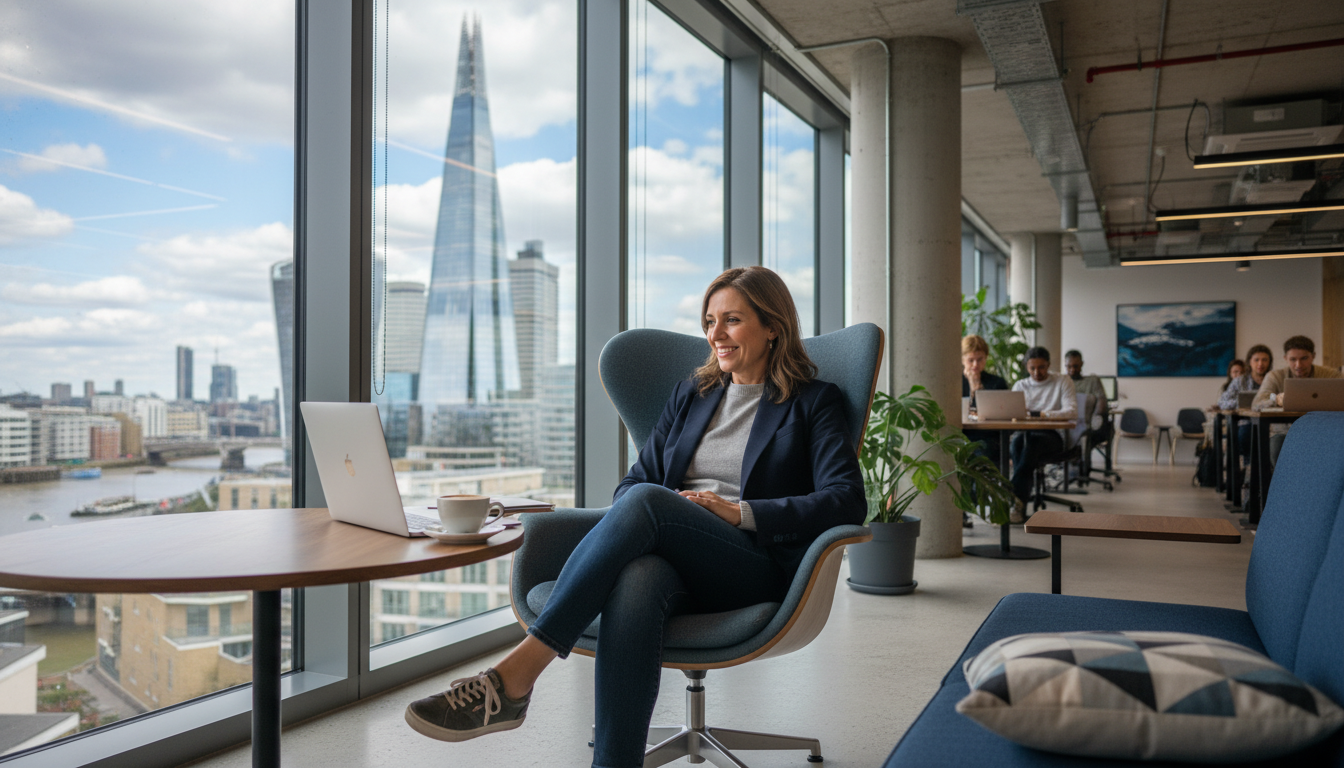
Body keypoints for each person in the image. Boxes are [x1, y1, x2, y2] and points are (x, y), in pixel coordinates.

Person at [403, 266, 865, 768]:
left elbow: (846, 499)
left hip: (749, 564)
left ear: (772, 326)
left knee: (648, 500)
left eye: (732, 320)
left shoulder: (813, 402)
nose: (716, 334)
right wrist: (669, 513)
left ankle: (517, 675)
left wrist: (739, 512)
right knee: (640, 574)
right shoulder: (693, 395)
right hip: (673, 555)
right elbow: (632, 484)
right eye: (710, 321)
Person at [1008, 347, 1077, 521]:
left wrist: (1040, 414)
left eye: (1042, 367)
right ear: (1026, 367)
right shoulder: (1021, 385)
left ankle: (1015, 502)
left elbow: (1071, 411)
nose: (1037, 372)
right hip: (1026, 433)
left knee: (1030, 446)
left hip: (1052, 436)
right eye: (1032, 368)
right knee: (1017, 444)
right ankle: (1018, 503)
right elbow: (1011, 413)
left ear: (1049, 365)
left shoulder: (1062, 381)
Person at [1252, 336, 1342, 463]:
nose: (1298, 365)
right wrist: (1276, 399)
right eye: (1293, 359)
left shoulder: (1330, 375)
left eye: (1304, 358)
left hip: (1323, 431)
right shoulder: (1275, 376)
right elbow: (1257, 403)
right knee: (1277, 445)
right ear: (1285, 358)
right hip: (1285, 431)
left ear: (1313, 356)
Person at [961, 334, 1008, 527]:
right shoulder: (951, 383)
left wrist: (977, 389)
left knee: (980, 454)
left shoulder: (996, 383)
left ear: (986, 358)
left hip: (988, 436)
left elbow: (1004, 412)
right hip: (961, 435)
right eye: (970, 360)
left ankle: (967, 506)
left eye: (979, 360)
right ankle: (964, 508)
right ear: (962, 359)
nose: (975, 365)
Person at [1218, 344, 1273, 467]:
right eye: (1256, 360)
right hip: (1247, 423)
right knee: (1246, 434)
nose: (1260, 364)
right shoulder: (1239, 381)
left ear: (1270, 362)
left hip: (1272, 423)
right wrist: (1241, 403)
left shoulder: (1274, 380)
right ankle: (1250, 471)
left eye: (1265, 360)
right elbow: (1222, 402)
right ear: (1250, 362)